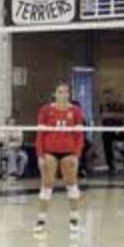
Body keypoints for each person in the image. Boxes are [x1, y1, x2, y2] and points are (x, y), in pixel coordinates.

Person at [34, 82, 86, 236]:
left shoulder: (75, 111)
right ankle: (41, 220)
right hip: (49, 151)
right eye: (60, 91)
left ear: (69, 94)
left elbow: (79, 135)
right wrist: (40, 155)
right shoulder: (45, 110)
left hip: (68, 152)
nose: (63, 94)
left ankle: (74, 219)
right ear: (54, 94)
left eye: (66, 92)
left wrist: (77, 154)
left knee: (71, 184)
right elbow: (40, 134)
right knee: (46, 185)